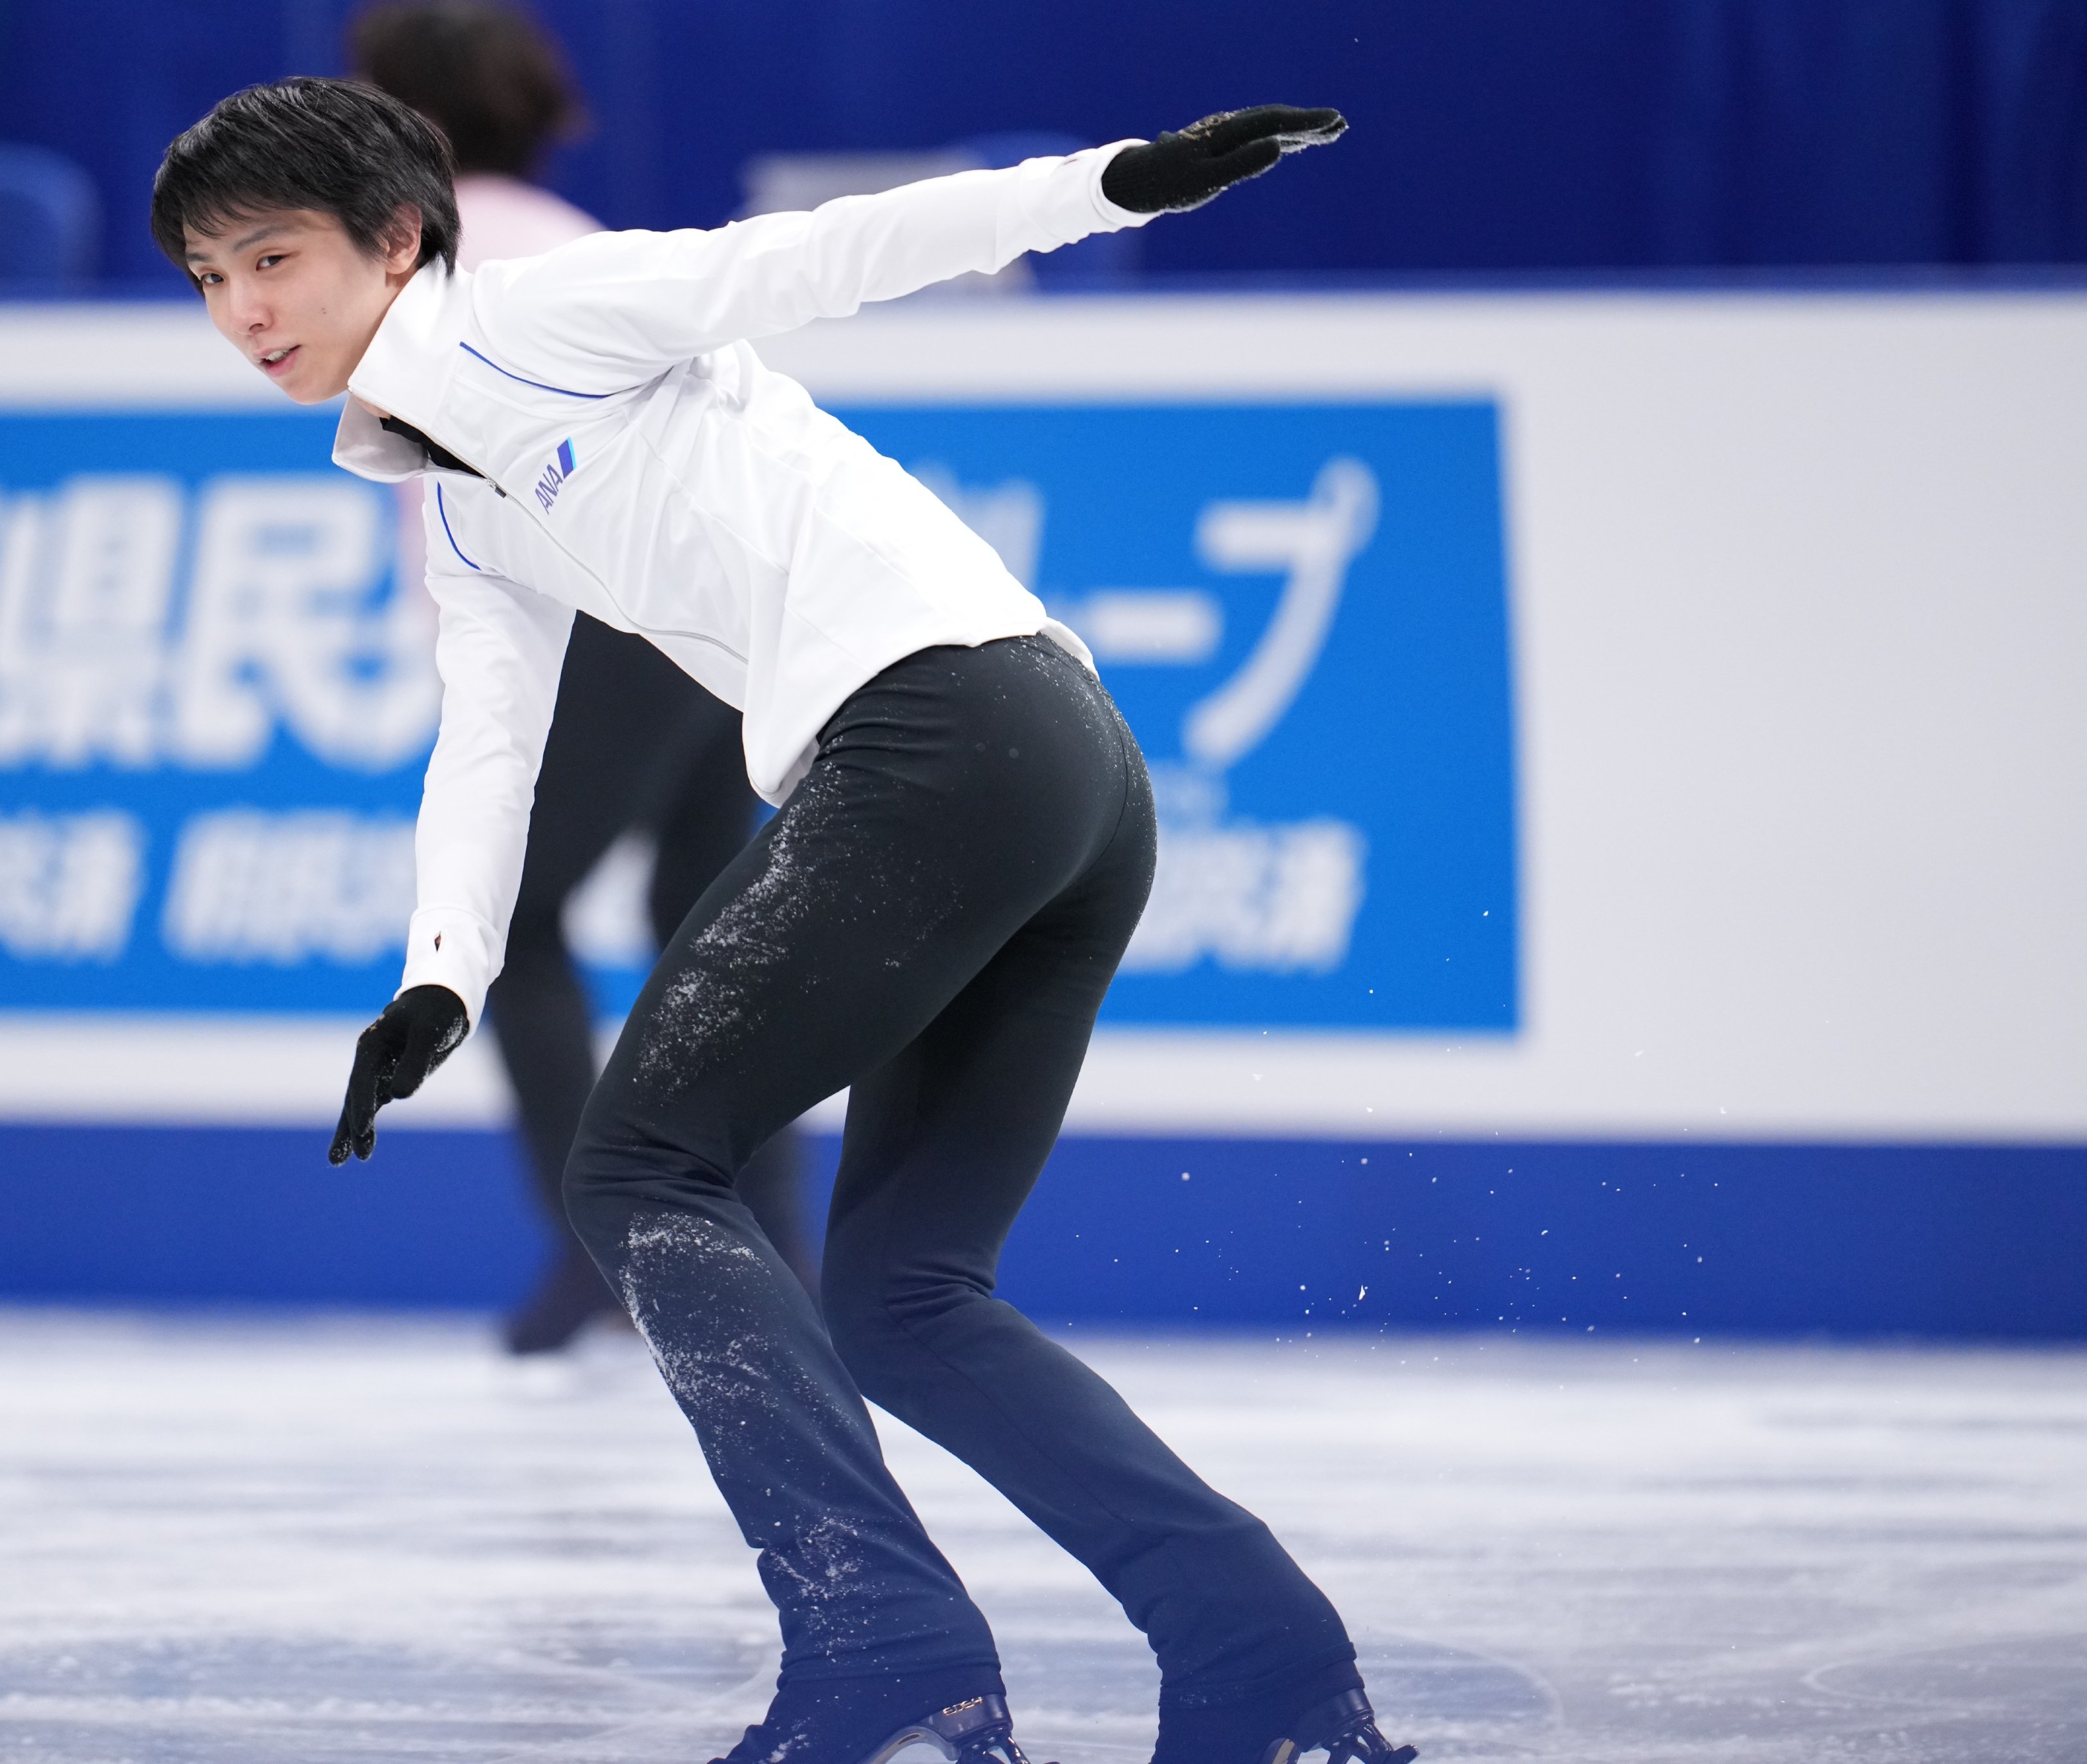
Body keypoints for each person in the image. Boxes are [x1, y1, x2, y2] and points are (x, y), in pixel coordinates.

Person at [152, 79, 1415, 1764]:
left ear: (395, 241)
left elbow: (824, 254)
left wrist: (1113, 184)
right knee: (904, 1300)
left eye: (272, 259)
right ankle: (1265, 1663)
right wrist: (440, 977)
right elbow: (488, 737)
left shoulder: (536, 317)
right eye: (207, 278)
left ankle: (882, 1645)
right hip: (1055, 763)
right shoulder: (458, 488)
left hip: (942, 736)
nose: (242, 312)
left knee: (634, 1167)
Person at [346, 0, 819, 1356]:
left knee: (515, 920)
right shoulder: (576, 240)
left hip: (600, 617)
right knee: (701, 921)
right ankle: (771, 1252)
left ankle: (610, 1245)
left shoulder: (419, 264)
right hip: (717, 616)